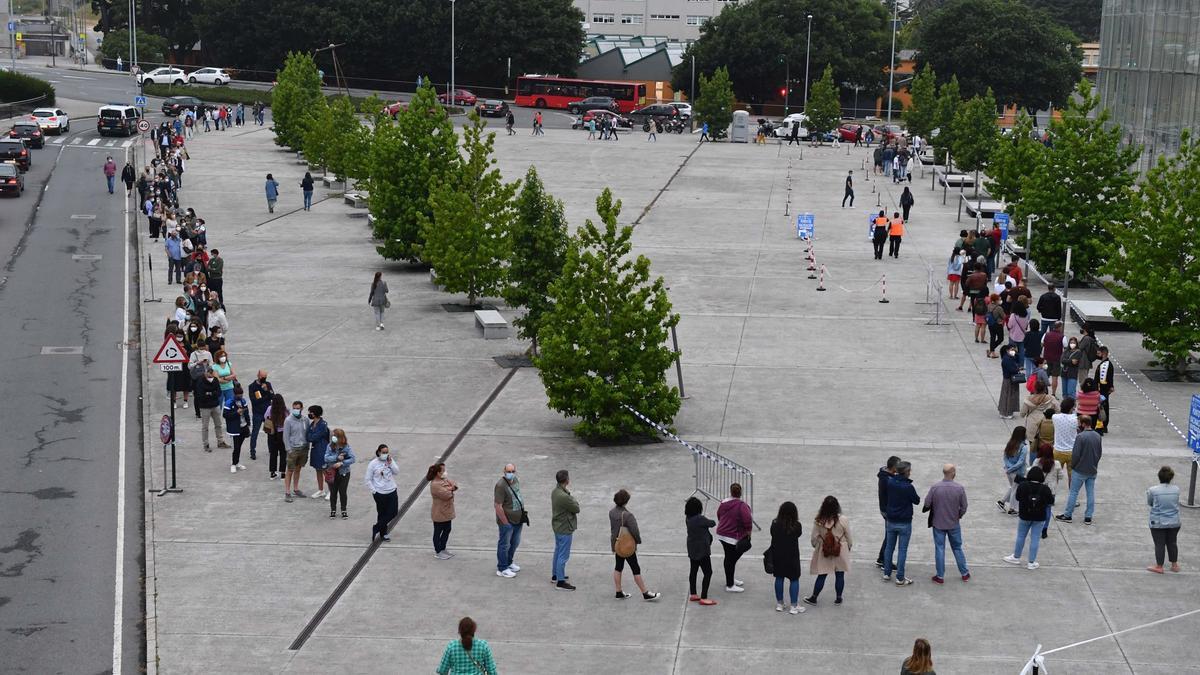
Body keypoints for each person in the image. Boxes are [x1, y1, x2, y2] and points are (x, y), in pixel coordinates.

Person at [609, 489, 661, 601]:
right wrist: (638, 541)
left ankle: (618, 591)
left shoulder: (612, 512)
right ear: (626, 502)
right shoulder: (628, 515)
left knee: (618, 567)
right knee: (635, 568)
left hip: (618, 545)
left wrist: (613, 546)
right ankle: (645, 593)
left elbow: (613, 531)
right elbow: (635, 531)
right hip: (627, 546)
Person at [923, 464, 971, 584]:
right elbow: (964, 506)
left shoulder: (935, 487)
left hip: (938, 523)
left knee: (939, 548)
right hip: (953, 523)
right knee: (957, 548)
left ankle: (940, 576)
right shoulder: (959, 488)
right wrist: (959, 515)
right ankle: (964, 573)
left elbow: (927, 503)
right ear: (953, 473)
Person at [1004, 466, 1055, 570]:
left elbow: (1017, 497)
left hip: (1024, 515)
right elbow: (1051, 502)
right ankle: (1031, 562)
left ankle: (1016, 557)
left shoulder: (1023, 486)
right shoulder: (1045, 489)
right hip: (1040, 517)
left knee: (1021, 536)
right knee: (1035, 539)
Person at [804, 495, 851, 604]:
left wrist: (817, 546)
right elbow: (849, 537)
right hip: (840, 549)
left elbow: (813, 539)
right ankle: (838, 598)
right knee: (840, 575)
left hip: (824, 550)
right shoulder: (843, 519)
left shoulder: (819, 520)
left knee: (822, 575)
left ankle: (814, 597)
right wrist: (848, 547)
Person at [1056, 415, 1102, 524]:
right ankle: (1088, 516)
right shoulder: (1097, 436)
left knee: (1074, 492)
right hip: (1092, 469)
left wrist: (1074, 466)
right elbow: (1099, 453)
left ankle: (1068, 515)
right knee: (1090, 493)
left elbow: (1075, 455)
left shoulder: (1080, 437)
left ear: (1083, 424)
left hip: (1080, 469)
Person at [882, 461, 920, 586]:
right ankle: (900, 577)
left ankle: (887, 573)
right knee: (902, 550)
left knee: (889, 548)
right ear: (906, 472)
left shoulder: (890, 482)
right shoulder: (908, 486)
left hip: (891, 520)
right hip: (904, 521)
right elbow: (916, 500)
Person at [715, 483, 753, 593]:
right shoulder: (742, 505)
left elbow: (719, 515)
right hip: (732, 537)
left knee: (729, 557)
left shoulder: (724, 502)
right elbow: (747, 521)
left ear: (731, 492)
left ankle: (730, 578)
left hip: (722, 534)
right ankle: (730, 585)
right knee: (731, 559)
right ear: (740, 492)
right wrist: (748, 533)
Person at [769, 501, 805, 614]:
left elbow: (772, 534)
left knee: (779, 578)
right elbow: (799, 534)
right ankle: (793, 606)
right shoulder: (797, 525)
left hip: (778, 555)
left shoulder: (774, 524)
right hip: (792, 556)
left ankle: (780, 603)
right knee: (794, 579)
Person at [1147, 466, 1181, 574]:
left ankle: (1159, 566)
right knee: (1172, 542)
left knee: (1159, 544)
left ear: (1159, 476)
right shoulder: (1176, 489)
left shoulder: (1152, 490)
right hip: (1174, 522)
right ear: (1171, 477)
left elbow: (1150, 503)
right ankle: (1174, 565)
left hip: (1158, 522)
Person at [494, 463, 525, 578]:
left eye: (512, 471)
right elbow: (498, 505)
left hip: (518, 519)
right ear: (504, 471)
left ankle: (509, 562)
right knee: (504, 544)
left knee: (515, 542)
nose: (510, 474)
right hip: (507, 521)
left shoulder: (515, 480)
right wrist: (505, 523)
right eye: (508, 471)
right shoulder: (500, 486)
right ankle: (502, 568)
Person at [685, 497, 717, 606]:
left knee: (693, 571)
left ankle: (693, 593)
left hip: (692, 548)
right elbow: (712, 523)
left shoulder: (688, 518)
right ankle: (704, 597)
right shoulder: (700, 519)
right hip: (702, 550)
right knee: (708, 572)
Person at [550, 469, 580, 590]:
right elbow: (576, 508)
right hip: (564, 528)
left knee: (558, 551)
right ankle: (560, 582)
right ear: (567, 480)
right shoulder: (564, 497)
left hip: (557, 526)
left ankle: (556, 575)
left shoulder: (555, 491)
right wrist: (573, 500)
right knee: (563, 555)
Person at [365, 444, 399, 541]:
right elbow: (368, 479)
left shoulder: (390, 460)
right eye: (383, 452)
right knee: (382, 513)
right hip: (380, 493)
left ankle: (377, 527)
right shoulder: (373, 464)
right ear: (379, 452)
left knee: (393, 512)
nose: (385, 454)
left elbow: (396, 472)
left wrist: (391, 463)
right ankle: (383, 533)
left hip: (391, 490)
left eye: (386, 452)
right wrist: (374, 491)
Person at [428, 462, 458, 559]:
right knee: (438, 531)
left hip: (447, 511)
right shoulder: (435, 485)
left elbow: (454, 485)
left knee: (447, 529)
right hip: (439, 512)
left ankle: (443, 548)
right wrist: (451, 489)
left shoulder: (443, 480)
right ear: (438, 473)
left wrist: (450, 488)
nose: (445, 472)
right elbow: (447, 495)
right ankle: (438, 551)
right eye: (443, 471)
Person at [324, 429, 355, 518]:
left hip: (344, 473)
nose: (332, 437)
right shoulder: (329, 446)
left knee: (343, 492)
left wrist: (342, 463)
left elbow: (353, 459)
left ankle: (343, 510)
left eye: (334, 435)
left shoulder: (346, 447)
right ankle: (333, 510)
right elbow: (326, 458)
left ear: (339, 437)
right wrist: (336, 457)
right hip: (332, 473)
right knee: (333, 492)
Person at [282, 400, 309, 502]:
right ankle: (287, 492)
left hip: (303, 448)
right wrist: (288, 449)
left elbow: (307, 433)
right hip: (293, 449)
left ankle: (296, 489)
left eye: (298, 408)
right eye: (294, 408)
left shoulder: (305, 419)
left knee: (298, 469)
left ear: (302, 408)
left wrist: (307, 446)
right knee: (289, 470)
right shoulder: (288, 420)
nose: (296, 410)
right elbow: (286, 436)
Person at [876, 455, 900, 570]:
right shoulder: (888, 480)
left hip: (885, 508)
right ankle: (885, 561)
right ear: (894, 467)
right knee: (890, 536)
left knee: (889, 535)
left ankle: (882, 558)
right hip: (888, 510)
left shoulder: (885, 475)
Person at [998, 427, 1028, 514]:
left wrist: (1008, 468)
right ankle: (1012, 508)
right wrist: (1012, 468)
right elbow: (1021, 462)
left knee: (1013, 487)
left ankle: (1002, 502)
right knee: (1016, 489)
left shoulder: (1010, 444)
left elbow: (1005, 457)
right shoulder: (1024, 447)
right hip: (1018, 473)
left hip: (1009, 472)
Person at [222, 383, 251, 473]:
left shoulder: (243, 401)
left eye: (241, 394)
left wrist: (248, 423)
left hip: (243, 426)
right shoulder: (229, 402)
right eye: (239, 395)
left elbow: (246, 412)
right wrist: (237, 413)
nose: (241, 396)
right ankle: (233, 464)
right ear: (235, 394)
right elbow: (225, 415)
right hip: (234, 429)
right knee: (236, 447)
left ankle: (237, 462)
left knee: (239, 446)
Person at [196, 367, 226, 452]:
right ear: (206, 373)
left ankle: (220, 441)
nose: (211, 376)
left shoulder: (215, 380)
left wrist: (209, 393)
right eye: (209, 374)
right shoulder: (200, 381)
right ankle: (206, 444)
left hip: (215, 405)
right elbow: (201, 395)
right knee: (205, 427)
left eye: (212, 374)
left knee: (218, 424)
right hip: (205, 407)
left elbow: (219, 392)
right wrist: (212, 393)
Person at [1022, 382, 1058, 451]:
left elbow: (1022, 414)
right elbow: (1058, 410)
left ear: (1035, 389)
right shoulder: (1051, 398)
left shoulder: (1028, 399)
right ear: (1045, 389)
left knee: (1033, 448)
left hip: (1032, 426)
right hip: (1047, 425)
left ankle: (1034, 461)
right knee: (1047, 449)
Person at [247, 370, 273, 461]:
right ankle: (252, 451)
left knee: (270, 432)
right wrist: (265, 395)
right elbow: (255, 401)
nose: (264, 379)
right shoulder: (252, 386)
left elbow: (272, 396)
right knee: (255, 432)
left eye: (265, 377)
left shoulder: (268, 384)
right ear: (258, 375)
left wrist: (266, 390)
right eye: (262, 377)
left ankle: (271, 449)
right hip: (258, 413)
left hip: (268, 413)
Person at [306, 405, 330, 499]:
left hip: (322, 449)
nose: (309, 414)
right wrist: (310, 436)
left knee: (325, 471)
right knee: (318, 470)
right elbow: (307, 436)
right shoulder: (312, 424)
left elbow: (313, 437)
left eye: (310, 412)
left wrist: (311, 436)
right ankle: (321, 490)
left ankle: (331, 490)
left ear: (315, 413)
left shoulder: (323, 424)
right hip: (315, 449)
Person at [264, 393, 288, 480]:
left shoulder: (270, 408)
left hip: (272, 433)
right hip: (282, 434)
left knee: (273, 454)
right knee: (283, 453)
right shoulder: (285, 410)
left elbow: (265, 417)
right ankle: (283, 473)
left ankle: (272, 472)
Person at [1094, 345, 1115, 435]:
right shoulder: (1104, 364)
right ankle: (1103, 425)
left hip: (1102, 390)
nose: (1097, 355)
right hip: (1103, 389)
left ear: (1103, 354)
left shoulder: (1105, 365)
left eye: (1098, 353)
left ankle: (1102, 425)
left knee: (1102, 408)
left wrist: (1098, 389)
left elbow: (1104, 379)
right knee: (1103, 407)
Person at [998, 344, 1023, 419]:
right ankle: (1007, 412)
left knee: (1007, 396)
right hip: (1009, 380)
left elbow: (1018, 359)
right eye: (1012, 349)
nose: (1014, 351)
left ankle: (1005, 412)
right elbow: (1012, 370)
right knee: (1009, 396)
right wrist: (1018, 369)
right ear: (1007, 350)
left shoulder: (1010, 357)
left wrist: (1017, 353)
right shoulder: (1007, 359)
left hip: (1009, 379)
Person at [986, 294, 1006, 358]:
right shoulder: (999, 308)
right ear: (996, 300)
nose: (1000, 301)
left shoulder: (988, 306)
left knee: (992, 337)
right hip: (998, 324)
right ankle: (992, 351)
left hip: (990, 324)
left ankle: (992, 351)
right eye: (999, 299)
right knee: (1000, 338)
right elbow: (1004, 316)